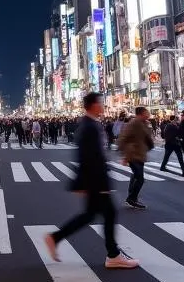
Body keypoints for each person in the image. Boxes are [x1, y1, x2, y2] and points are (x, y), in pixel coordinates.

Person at [43, 93, 138, 270]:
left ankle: (56, 238)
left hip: (93, 180)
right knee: (108, 213)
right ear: (94, 105)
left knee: (91, 214)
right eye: (100, 103)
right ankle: (113, 254)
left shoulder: (89, 124)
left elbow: (86, 156)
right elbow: (90, 157)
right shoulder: (90, 126)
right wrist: (100, 184)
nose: (103, 106)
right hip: (96, 180)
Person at [118, 106, 153, 210]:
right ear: (141, 113)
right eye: (146, 112)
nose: (148, 114)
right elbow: (123, 137)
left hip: (140, 154)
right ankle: (131, 199)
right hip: (133, 154)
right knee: (140, 178)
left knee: (136, 176)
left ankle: (132, 197)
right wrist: (124, 155)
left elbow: (146, 138)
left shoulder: (144, 123)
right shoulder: (134, 123)